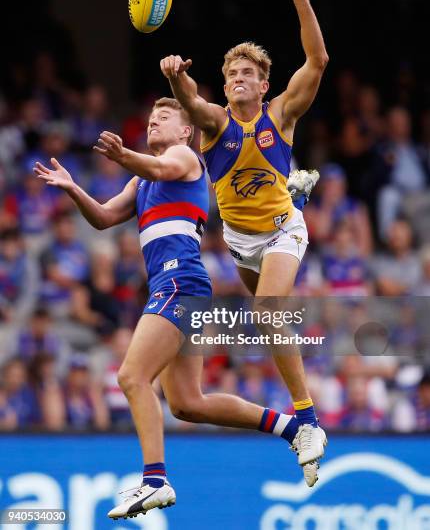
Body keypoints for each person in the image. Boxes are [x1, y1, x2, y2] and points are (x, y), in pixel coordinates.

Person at [34, 97, 323, 522]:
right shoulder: (141, 182)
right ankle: (292, 428)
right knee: (187, 403)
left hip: (178, 283)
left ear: (186, 131)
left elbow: (160, 167)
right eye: (150, 117)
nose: (153, 120)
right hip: (182, 288)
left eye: (164, 117)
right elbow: (101, 217)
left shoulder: (184, 157)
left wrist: (122, 155)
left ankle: (154, 480)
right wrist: (74, 187)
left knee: (132, 376)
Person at [161, 0, 328, 482]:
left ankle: (307, 419)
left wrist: (300, 0)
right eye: (231, 73)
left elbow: (318, 61)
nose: (237, 79)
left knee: (269, 311)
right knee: (266, 315)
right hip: (239, 239)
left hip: (281, 230)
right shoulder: (213, 123)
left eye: (247, 74)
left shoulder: (280, 114)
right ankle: (295, 192)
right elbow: (190, 101)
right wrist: (176, 78)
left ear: (263, 84)